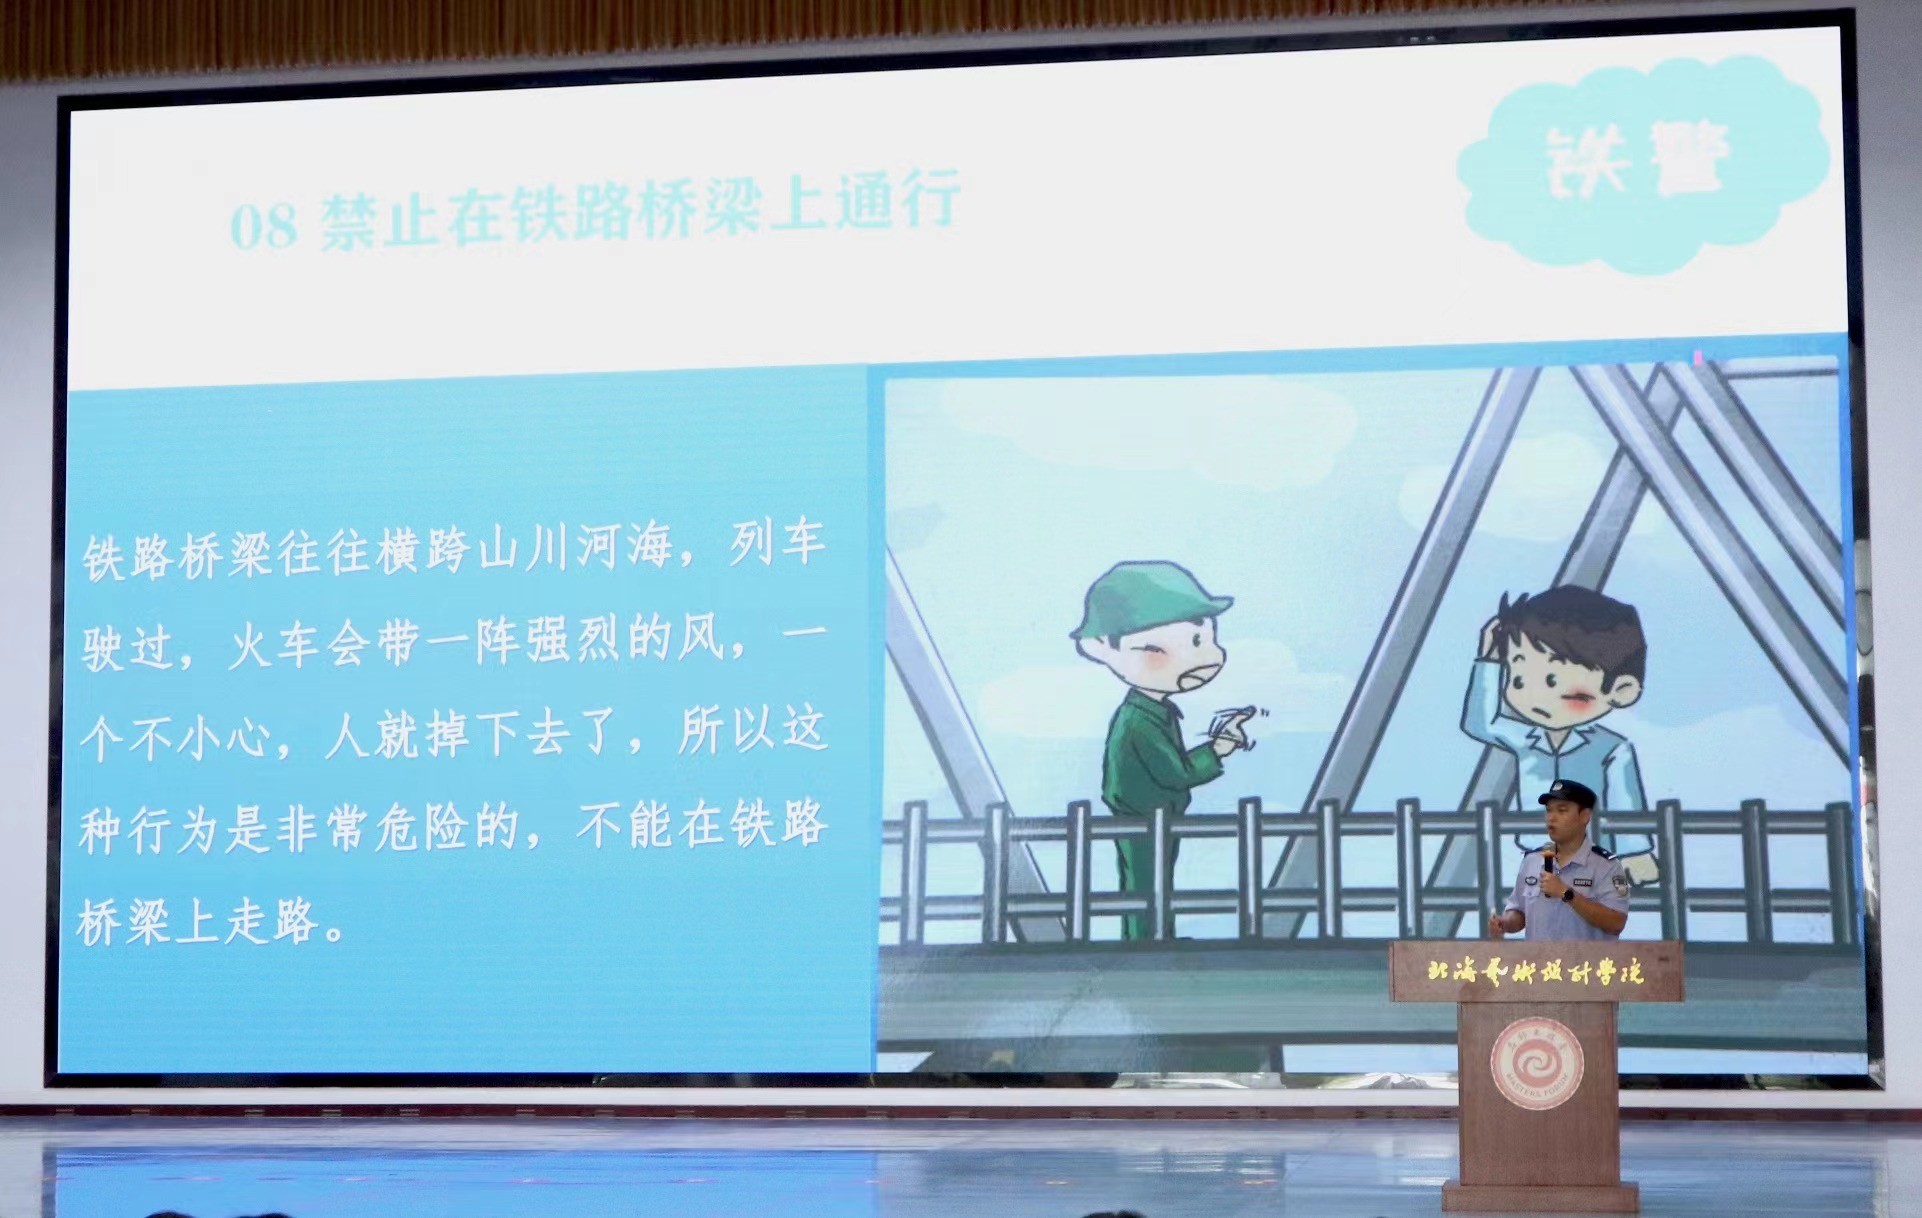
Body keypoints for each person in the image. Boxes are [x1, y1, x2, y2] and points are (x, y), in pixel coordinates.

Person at [1073, 560, 1255, 940]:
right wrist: (1218, 749)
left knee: (1156, 878)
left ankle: (1156, 937)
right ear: (1102, 647)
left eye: (1201, 642)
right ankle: (1144, 942)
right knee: (1146, 880)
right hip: (1141, 813)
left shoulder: (1155, 713)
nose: (1199, 660)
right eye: (1157, 650)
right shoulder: (1138, 721)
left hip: (1157, 811)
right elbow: (1175, 773)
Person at [1461, 587, 1659, 884]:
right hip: (1538, 851)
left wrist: (1634, 853)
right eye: (1519, 680)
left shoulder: (1611, 748)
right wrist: (1488, 661)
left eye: (1552, 680)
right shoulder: (1526, 740)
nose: (1535, 697)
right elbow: (1480, 723)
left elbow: (1624, 801)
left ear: (1621, 691)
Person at [1486, 779, 1629, 941]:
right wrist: (1505, 923)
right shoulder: (1532, 861)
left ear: (1585, 816)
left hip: (1586, 958)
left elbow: (1616, 923)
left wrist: (1566, 893)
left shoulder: (1607, 866)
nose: (1551, 818)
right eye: (1549, 811)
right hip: (1539, 957)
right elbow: (1519, 911)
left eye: (1561, 811)